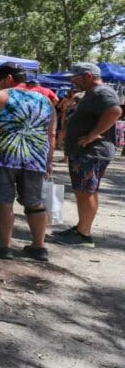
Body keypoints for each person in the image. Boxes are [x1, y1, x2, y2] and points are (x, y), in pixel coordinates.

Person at [0, 62, 55, 261]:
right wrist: (48, 160)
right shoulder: (45, 100)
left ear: (8, 78)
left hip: (4, 157)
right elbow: (51, 133)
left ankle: (5, 247)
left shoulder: (2, 95)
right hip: (36, 158)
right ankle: (39, 247)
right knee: (35, 203)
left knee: (4, 201)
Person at [53, 62, 122, 247]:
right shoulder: (92, 94)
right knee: (85, 191)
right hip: (85, 152)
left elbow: (115, 111)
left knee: (86, 191)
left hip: (92, 152)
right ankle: (81, 228)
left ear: (88, 76)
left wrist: (92, 135)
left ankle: (84, 235)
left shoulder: (102, 92)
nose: (74, 82)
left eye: (76, 78)